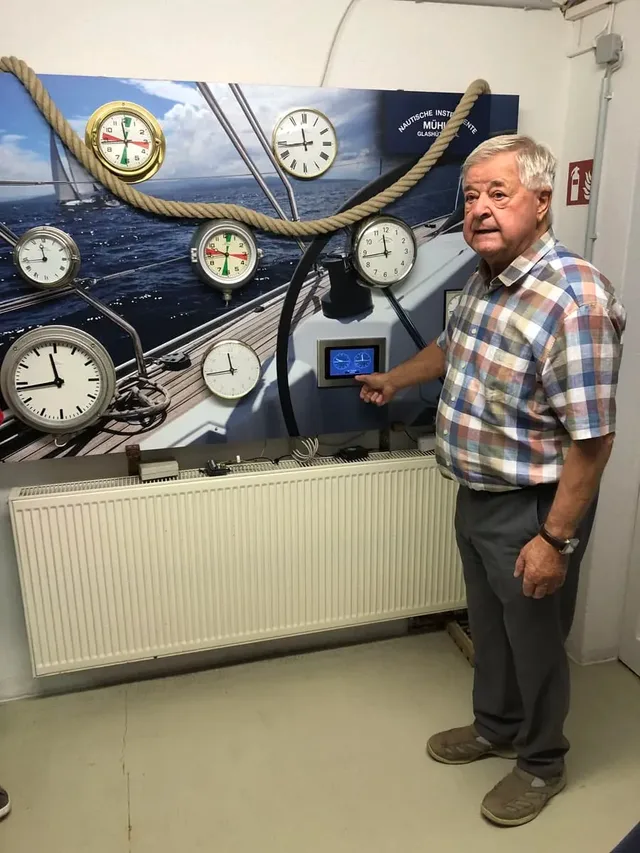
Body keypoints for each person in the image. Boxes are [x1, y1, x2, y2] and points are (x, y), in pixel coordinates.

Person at [356, 134, 626, 827]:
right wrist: (395, 378)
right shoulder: (485, 279)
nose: (479, 208)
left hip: (535, 507)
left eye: (498, 193)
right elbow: (451, 349)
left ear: (542, 202)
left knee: (535, 643)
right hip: (476, 495)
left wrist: (553, 540)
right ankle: (495, 726)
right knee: (492, 629)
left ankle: (541, 762)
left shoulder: (573, 300)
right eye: (472, 195)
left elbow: (593, 441)